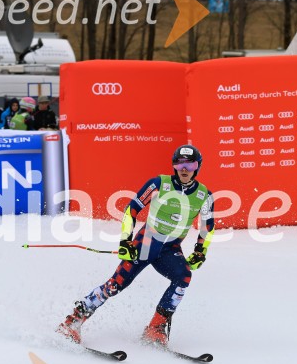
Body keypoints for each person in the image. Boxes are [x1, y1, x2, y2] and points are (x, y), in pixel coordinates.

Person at [58, 145, 215, 347]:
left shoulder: (204, 195)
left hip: (170, 249)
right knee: (117, 284)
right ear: (174, 165)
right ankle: (72, 323)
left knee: (183, 277)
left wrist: (200, 252)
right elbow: (131, 209)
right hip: (146, 244)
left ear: (198, 167)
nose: (184, 169)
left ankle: (155, 329)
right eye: (179, 163)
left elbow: (207, 227)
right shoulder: (159, 183)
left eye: (190, 164)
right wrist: (126, 240)